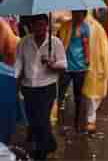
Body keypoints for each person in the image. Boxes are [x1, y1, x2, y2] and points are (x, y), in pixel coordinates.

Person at [15, 14, 67, 160]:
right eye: (37, 25)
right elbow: (18, 64)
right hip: (28, 87)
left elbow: (64, 65)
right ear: (31, 26)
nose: (40, 28)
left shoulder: (55, 42)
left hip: (47, 87)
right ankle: (50, 143)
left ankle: (41, 152)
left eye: (43, 25)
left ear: (47, 26)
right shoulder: (23, 42)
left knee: (42, 119)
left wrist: (52, 63)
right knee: (32, 120)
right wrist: (15, 83)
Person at [57, 10, 90, 132]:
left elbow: (86, 45)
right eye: (76, 13)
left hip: (80, 66)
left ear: (84, 15)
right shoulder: (66, 26)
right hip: (65, 65)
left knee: (78, 96)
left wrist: (87, 59)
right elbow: (59, 42)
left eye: (80, 14)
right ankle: (59, 120)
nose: (77, 16)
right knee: (60, 94)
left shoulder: (85, 28)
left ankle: (77, 122)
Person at [82, 14, 108, 133]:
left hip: (94, 66)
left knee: (93, 95)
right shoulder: (73, 26)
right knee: (90, 95)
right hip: (80, 66)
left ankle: (90, 118)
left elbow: (104, 50)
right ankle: (90, 118)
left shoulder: (97, 28)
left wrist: (107, 68)